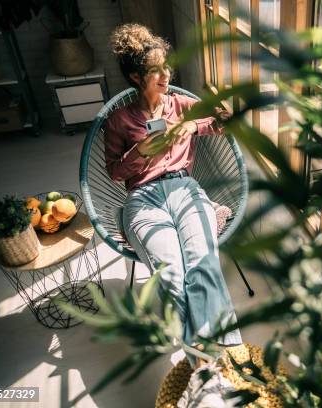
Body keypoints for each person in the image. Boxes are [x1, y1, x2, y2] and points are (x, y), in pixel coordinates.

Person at [104, 23, 242, 368]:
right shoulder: (119, 120)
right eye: (155, 71)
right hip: (143, 199)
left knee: (203, 265)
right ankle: (211, 364)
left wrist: (192, 124)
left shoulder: (181, 104)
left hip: (185, 189)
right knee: (172, 276)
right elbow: (114, 173)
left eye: (167, 66)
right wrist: (140, 152)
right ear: (136, 77)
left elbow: (226, 120)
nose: (166, 75)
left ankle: (212, 363)